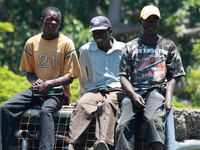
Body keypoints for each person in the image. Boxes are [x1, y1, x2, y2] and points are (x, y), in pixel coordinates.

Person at [0, 6, 81, 150]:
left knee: (46, 110)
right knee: (6, 108)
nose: (54, 23)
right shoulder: (32, 42)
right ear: (42, 20)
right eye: (50, 19)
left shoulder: (66, 43)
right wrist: (34, 81)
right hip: (37, 90)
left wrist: (50, 83)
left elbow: (70, 77)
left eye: (57, 21)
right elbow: (29, 72)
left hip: (58, 92)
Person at [114, 5, 186, 150]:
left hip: (157, 90)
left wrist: (168, 100)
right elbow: (123, 76)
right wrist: (133, 95)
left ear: (159, 22)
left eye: (155, 20)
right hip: (134, 92)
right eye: (148, 20)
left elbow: (172, 76)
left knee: (153, 118)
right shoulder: (130, 46)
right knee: (123, 123)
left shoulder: (168, 46)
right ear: (141, 21)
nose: (151, 23)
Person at [68, 16, 125, 150]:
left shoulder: (124, 49)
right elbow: (83, 75)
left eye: (101, 32)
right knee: (82, 104)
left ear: (110, 32)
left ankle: (102, 143)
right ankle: (72, 144)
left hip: (116, 89)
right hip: (95, 89)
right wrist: (82, 93)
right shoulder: (86, 50)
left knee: (108, 104)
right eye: (95, 33)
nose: (98, 35)